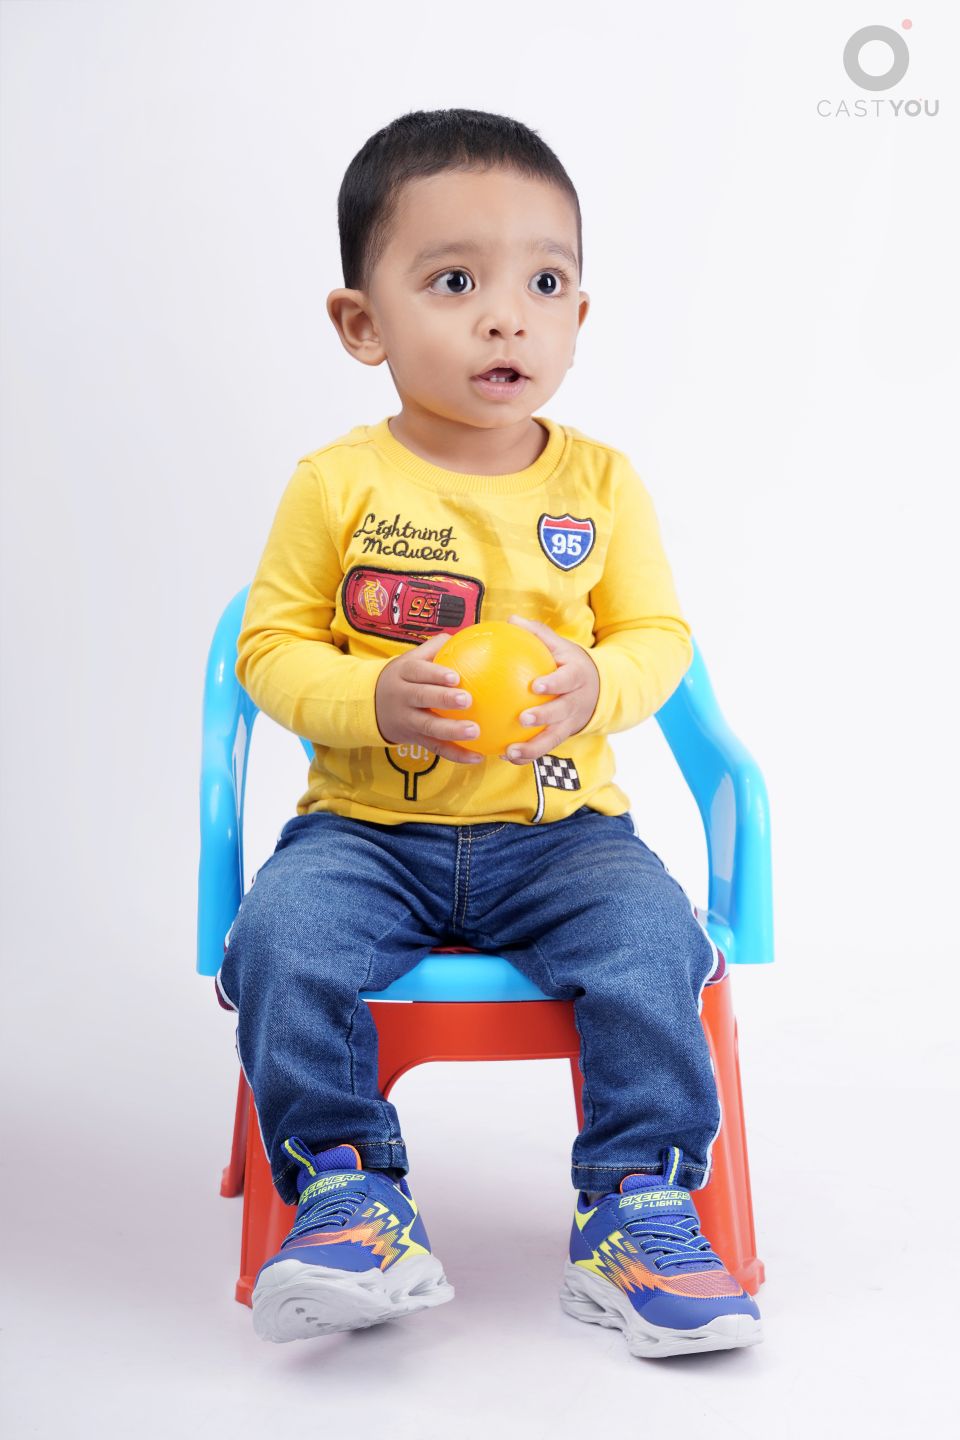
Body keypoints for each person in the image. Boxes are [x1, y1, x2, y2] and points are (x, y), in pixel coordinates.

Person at [217, 107, 763, 1360]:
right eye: (455, 282)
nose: (506, 317)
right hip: (367, 830)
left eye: (544, 283)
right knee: (283, 937)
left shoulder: (602, 485)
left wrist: (596, 682)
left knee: (652, 941)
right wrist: (372, 700)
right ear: (363, 323)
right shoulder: (336, 484)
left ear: (580, 316)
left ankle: (639, 1207)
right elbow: (270, 650)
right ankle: (349, 1196)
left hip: (563, 834)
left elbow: (659, 639)